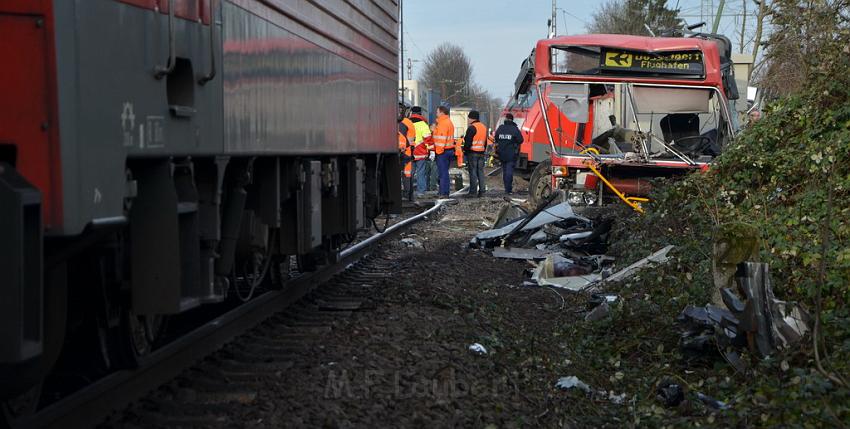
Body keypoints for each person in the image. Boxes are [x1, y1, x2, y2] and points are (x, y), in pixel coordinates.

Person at [493, 113, 524, 195]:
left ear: (505, 119)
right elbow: (521, 140)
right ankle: (508, 189)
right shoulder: (514, 129)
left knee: (505, 171)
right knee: (509, 172)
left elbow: (496, 138)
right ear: (512, 119)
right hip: (511, 154)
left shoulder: (500, 128)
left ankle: (506, 188)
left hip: (501, 153)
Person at [462, 110, 489, 197]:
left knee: (473, 172)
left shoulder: (472, 128)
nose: (468, 119)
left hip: (472, 153)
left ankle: (473, 192)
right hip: (481, 152)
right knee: (480, 172)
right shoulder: (484, 127)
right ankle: (482, 191)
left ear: (471, 118)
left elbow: (468, 142)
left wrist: (465, 151)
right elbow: (485, 142)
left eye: (469, 118)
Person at [432, 106, 456, 197]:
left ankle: (444, 193)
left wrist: (438, 152)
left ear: (442, 113)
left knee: (443, 173)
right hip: (448, 150)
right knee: (444, 172)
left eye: (437, 112)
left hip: (443, 151)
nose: (436, 114)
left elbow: (441, 139)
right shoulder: (448, 122)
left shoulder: (443, 123)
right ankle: (443, 191)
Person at [409, 107, 432, 197]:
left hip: (409, 151)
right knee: (421, 172)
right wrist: (430, 150)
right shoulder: (423, 124)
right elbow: (428, 139)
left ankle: (408, 192)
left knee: (409, 173)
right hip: (420, 152)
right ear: (420, 113)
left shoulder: (407, 122)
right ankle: (421, 192)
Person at [398, 118, 414, 201]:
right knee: (408, 175)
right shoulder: (408, 122)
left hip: (404, 153)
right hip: (408, 152)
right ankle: (409, 196)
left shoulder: (402, 124)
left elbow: (403, 141)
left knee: (406, 174)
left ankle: (406, 195)